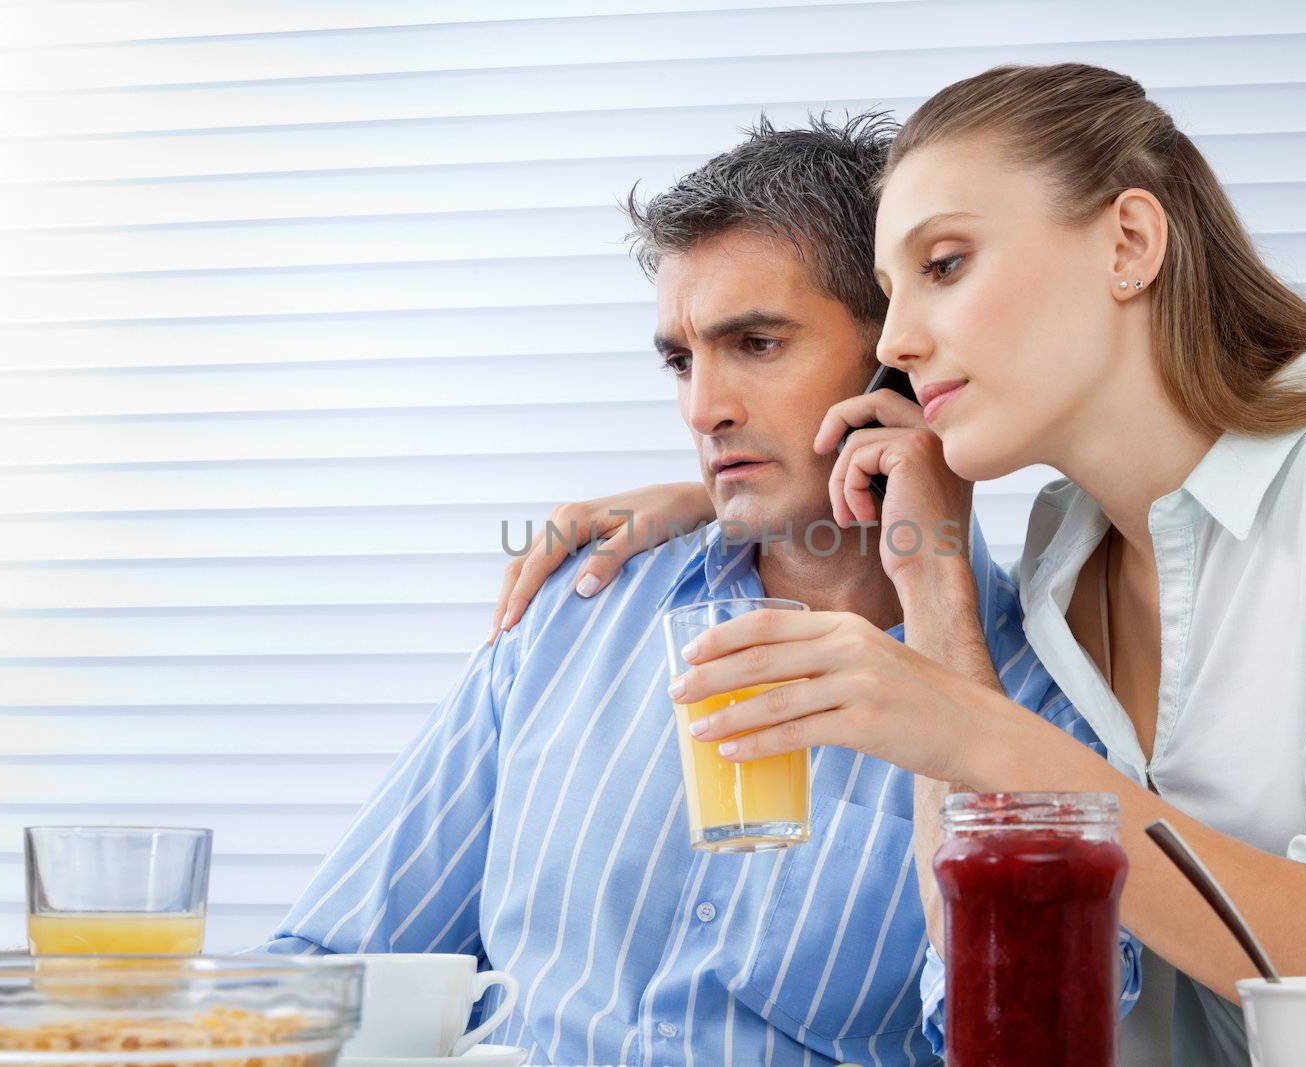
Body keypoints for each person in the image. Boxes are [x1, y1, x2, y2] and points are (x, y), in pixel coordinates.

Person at [495, 64, 1306, 1064]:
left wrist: (966, 725)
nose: (899, 338)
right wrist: (741, 503)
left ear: (1127, 240)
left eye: (944, 266)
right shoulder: (1062, 553)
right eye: (892, 294)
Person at [257, 113, 1139, 1067]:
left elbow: (1013, 1040)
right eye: (681, 360)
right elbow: (332, 965)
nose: (701, 407)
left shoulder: (1043, 697)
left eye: (755, 344)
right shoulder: (577, 612)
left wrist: (932, 601)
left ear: (894, 352)